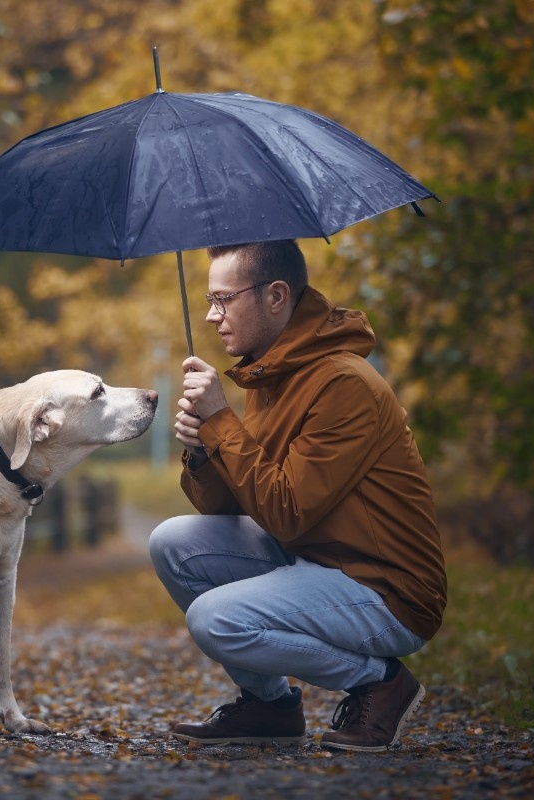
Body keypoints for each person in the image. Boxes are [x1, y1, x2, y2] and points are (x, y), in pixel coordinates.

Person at [149, 239, 446, 752]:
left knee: (214, 620)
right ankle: (270, 707)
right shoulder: (270, 375)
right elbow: (236, 504)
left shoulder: (343, 384)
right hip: (315, 559)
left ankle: (379, 681)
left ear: (276, 296)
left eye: (224, 299)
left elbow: (286, 512)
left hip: (385, 590)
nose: (214, 317)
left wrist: (222, 421)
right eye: (209, 301)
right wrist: (203, 447)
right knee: (173, 541)